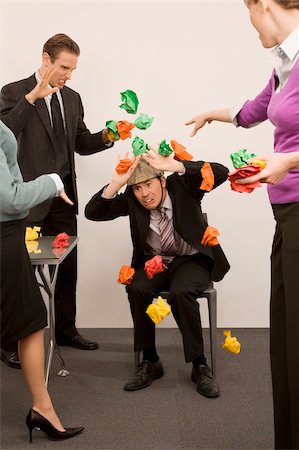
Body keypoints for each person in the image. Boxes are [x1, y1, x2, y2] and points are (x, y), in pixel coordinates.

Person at [185, 0, 299, 446]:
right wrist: (212, 113)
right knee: (285, 347)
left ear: (262, 5)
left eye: (247, 12)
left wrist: (286, 162)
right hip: (286, 214)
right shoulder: (284, 64)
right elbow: (255, 110)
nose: (250, 25)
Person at [0, 33, 114, 368]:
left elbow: (80, 141)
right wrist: (34, 97)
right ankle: (8, 342)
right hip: (27, 198)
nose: (68, 75)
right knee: (16, 274)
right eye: (64, 66)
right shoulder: (12, 91)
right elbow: (4, 130)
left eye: (73, 68)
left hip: (63, 197)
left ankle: (65, 330)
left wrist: (108, 136)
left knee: (68, 268)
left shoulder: (73, 97)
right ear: (46, 59)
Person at [85, 150, 230, 397]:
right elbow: (93, 212)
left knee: (181, 292)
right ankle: (151, 361)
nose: (145, 194)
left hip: (191, 260)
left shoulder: (183, 185)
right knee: (137, 288)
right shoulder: (133, 198)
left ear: (162, 181)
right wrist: (116, 184)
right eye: (138, 188)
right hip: (156, 262)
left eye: (149, 185)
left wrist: (177, 165)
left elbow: (222, 173)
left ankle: (199, 365)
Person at [0, 120, 84, 442]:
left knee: (30, 320)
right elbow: (8, 199)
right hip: (4, 236)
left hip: (9, 236)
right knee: (31, 320)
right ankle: (42, 408)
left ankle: (43, 407)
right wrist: (49, 182)